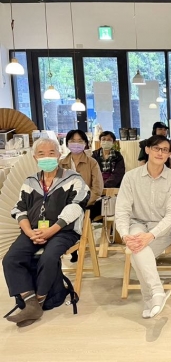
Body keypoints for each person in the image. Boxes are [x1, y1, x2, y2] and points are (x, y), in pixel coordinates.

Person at [3, 138, 90, 327]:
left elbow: (76, 207)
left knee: (48, 257)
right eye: (41, 154)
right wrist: (29, 232)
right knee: (11, 259)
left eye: (51, 153)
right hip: (33, 231)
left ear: (59, 155)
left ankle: (40, 300)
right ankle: (30, 302)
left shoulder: (73, 179)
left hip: (63, 231)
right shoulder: (30, 181)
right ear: (35, 158)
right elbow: (19, 209)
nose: (47, 157)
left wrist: (51, 230)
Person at [115, 135, 171, 318]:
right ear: (147, 149)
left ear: (169, 154)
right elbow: (122, 210)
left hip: (161, 230)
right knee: (136, 244)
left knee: (137, 252)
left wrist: (151, 235)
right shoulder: (131, 177)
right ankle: (157, 292)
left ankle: (149, 298)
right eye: (156, 148)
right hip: (136, 224)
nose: (160, 153)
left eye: (165, 150)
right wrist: (125, 235)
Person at [59, 129, 103, 207]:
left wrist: (83, 203)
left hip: (88, 205)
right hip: (65, 206)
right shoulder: (61, 164)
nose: (76, 144)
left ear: (85, 143)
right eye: (73, 141)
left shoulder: (92, 162)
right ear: (67, 144)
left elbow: (97, 188)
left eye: (80, 141)